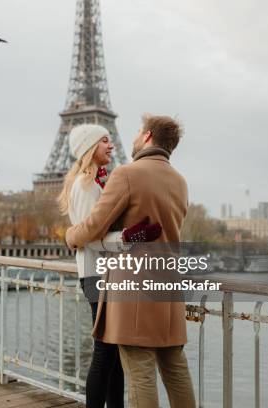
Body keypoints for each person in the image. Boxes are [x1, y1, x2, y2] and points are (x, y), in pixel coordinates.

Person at [65, 115, 196, 408]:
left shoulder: (126, 174)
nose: (132, 138)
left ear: (148, 137)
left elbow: (93, 226)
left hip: (133, 288)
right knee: (176, 369)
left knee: (140, 372)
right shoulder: (180, 181)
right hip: (169, 285)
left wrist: (70, 236)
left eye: (138, 132)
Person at [57, 124, 162, 408]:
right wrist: (130, 237)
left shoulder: (97, 181)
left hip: (105, 275)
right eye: (104, 141)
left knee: (113, 353)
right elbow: (90, 238)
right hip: (97, 275)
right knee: (105, 352)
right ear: (90, 147)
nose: (111, 144)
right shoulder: (86, 185)